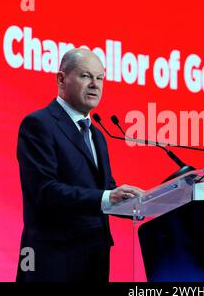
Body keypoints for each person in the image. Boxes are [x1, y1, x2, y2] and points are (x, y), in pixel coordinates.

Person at [16, 48, 143, 282]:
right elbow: (45, 191)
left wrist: (141, 202)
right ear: (61, 79)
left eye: (100, 78)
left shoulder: (97, 134)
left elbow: (104, 189)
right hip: (52, 260)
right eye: (86, 76)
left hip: (94, 258)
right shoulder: (39, 124)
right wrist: (108, 197)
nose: (95, 84)